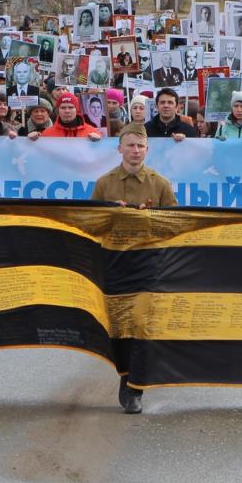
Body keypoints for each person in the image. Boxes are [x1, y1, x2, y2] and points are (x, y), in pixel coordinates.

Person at [92, 128, 176, 414]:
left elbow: (173, 224)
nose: (136, 150)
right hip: (115, 265)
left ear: (147, 150)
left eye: (141, 145)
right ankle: (125, 375)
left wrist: (148, 218)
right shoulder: (104, 184)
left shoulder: (160, 184)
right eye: (131, 145)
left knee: (141, 325)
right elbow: (92, 225)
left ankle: (135, 388)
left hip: (148, 265)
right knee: (119, 330)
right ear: (120, 149)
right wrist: (111, 213)